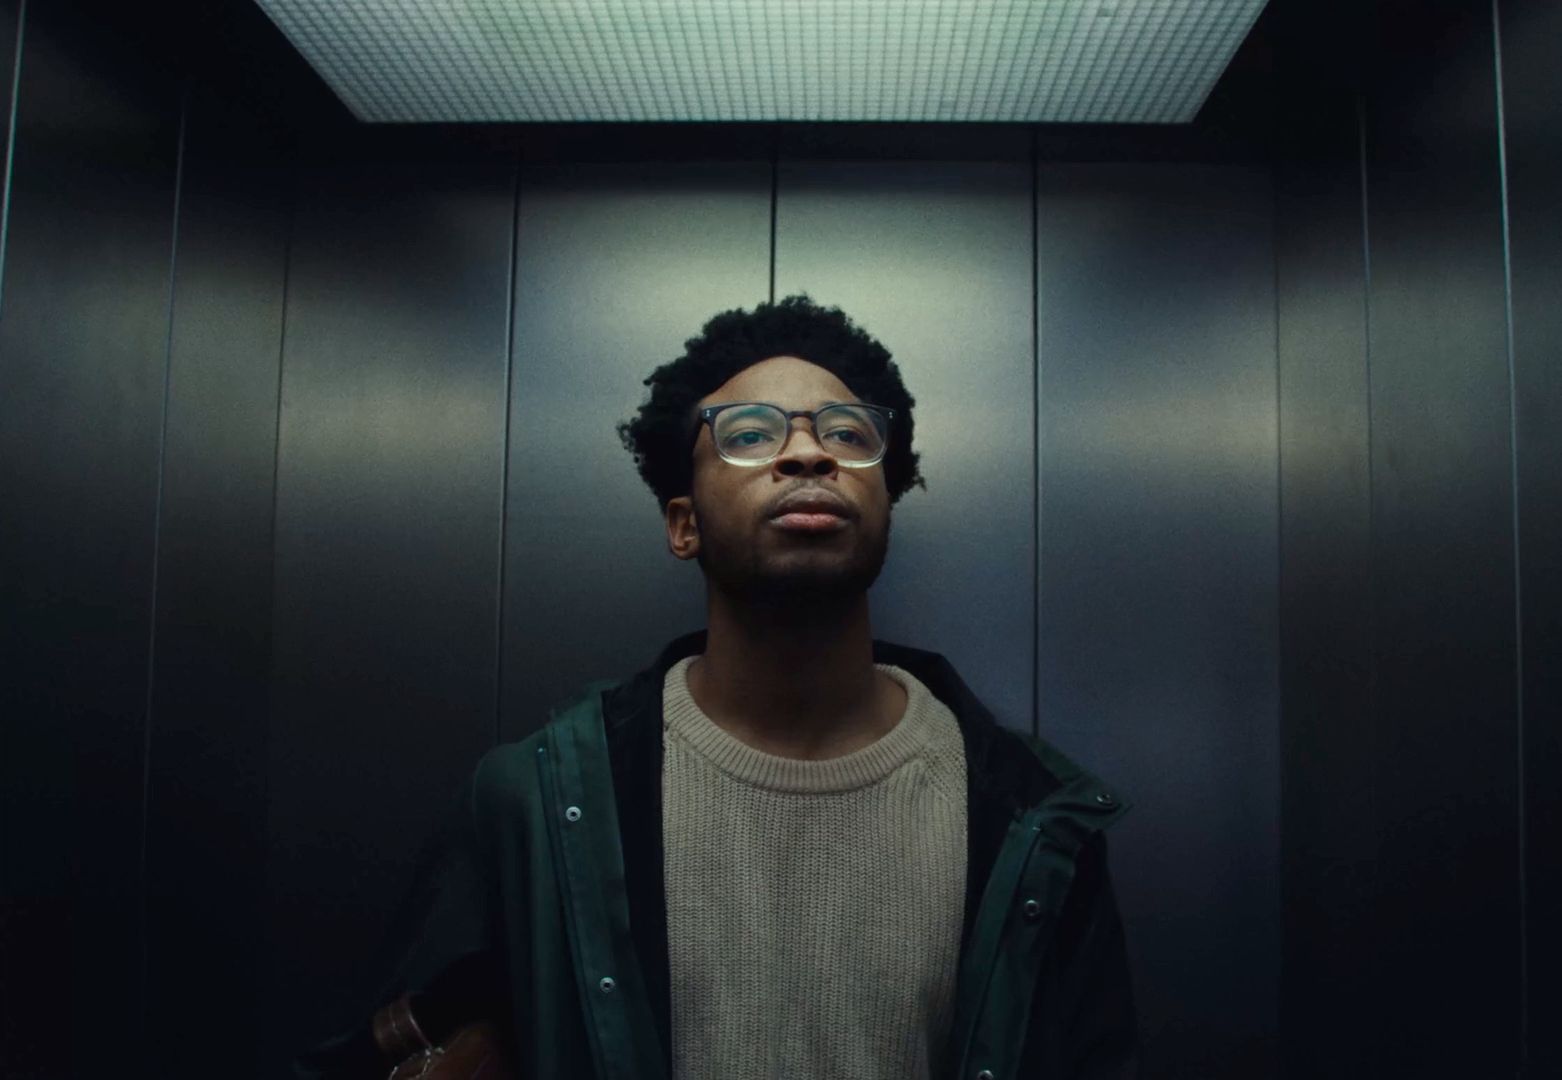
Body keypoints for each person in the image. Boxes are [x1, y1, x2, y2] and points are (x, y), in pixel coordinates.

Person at [294, 294, 1138, 1079]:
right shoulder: (538, 801)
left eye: (847, 434)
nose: (808, 451)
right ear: (683, 522)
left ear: (888, 499)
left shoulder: (1033, 815)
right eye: (749, 433)